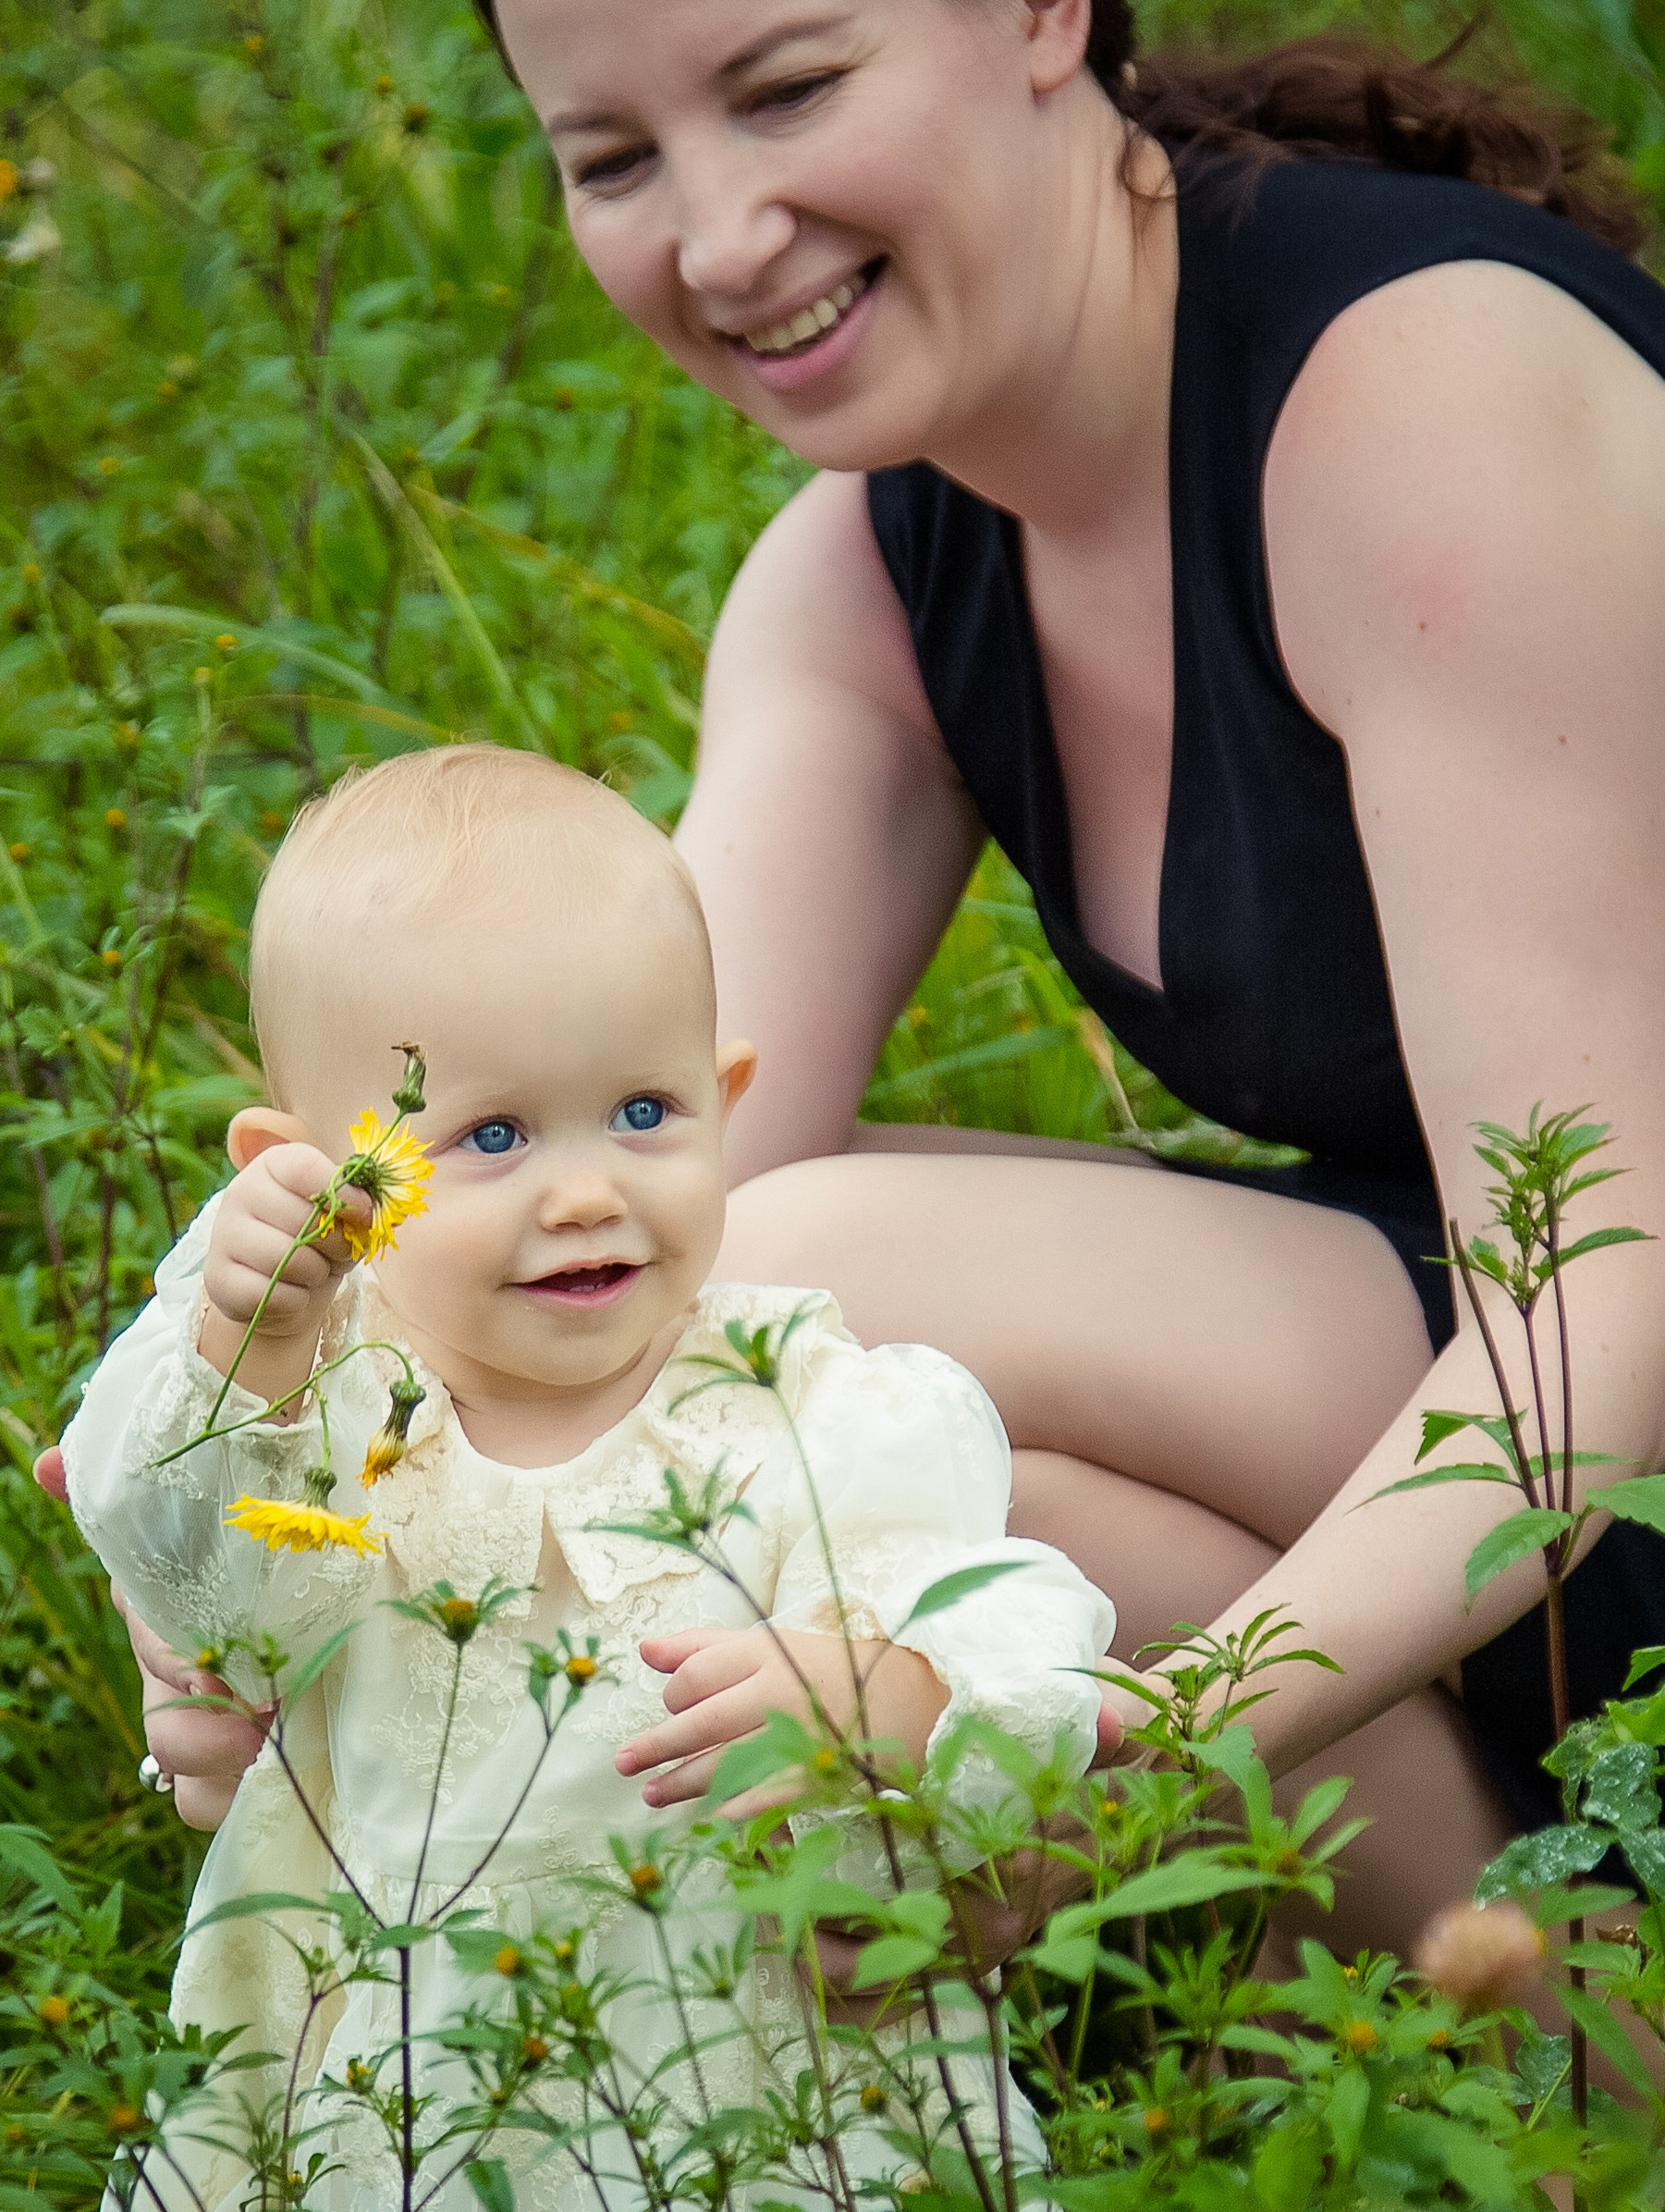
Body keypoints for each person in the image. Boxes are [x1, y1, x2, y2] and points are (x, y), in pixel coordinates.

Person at [100, 0, 1665, 1963]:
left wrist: (1123, 1741)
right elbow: (575, 1180)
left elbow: (1605, 1292)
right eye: (613, 160)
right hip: (1508, 1422)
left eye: (788, 91)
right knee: (880, 1431)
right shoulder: (864, 578)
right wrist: (242, 1542)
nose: (720, 237)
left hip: (1609, 1368)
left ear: (1041, 13)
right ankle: (1573, 2081)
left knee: (820, 1282)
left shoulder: (1425, 401)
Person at [48, 743, 1111, 2212]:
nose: (582, 1193)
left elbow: (1020, 1622)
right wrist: (241, 1343)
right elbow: (196, 1575)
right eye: (486, 1139)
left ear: (727, 1100)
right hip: (401, 2108)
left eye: (639, 1111)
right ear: (305, 1175)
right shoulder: (334, 1428)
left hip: (769, 2103)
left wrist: (891, 1689)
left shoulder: (807, 1409)